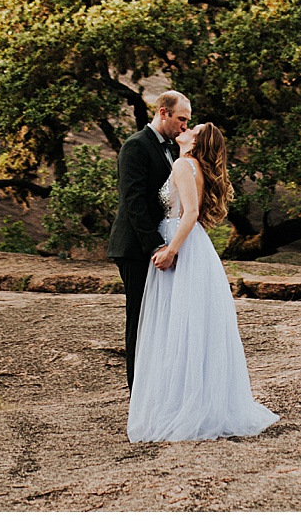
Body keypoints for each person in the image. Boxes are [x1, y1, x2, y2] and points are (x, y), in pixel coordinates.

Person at [126, 122, 278, 442]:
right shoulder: (190, 163)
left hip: (180, 241)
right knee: (185, 324)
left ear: (196, 140)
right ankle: (190, 400)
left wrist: (170, 251)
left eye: (191, 127)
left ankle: (182, 405)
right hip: (195, 244)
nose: (185, 127)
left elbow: (190, 212)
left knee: (177, 324)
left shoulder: (184, 164)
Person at [107, 91, 190, 390]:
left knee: (158, 319)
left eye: (188, 121)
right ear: (163, 113)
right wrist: (156, 245)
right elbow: (134, 202)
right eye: (181, 119)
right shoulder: (136, 146)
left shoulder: (171, 148)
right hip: (135, 247)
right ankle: (137, 394)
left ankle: (157, 389)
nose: (184, 126)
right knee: (140, 320)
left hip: (158, 243)